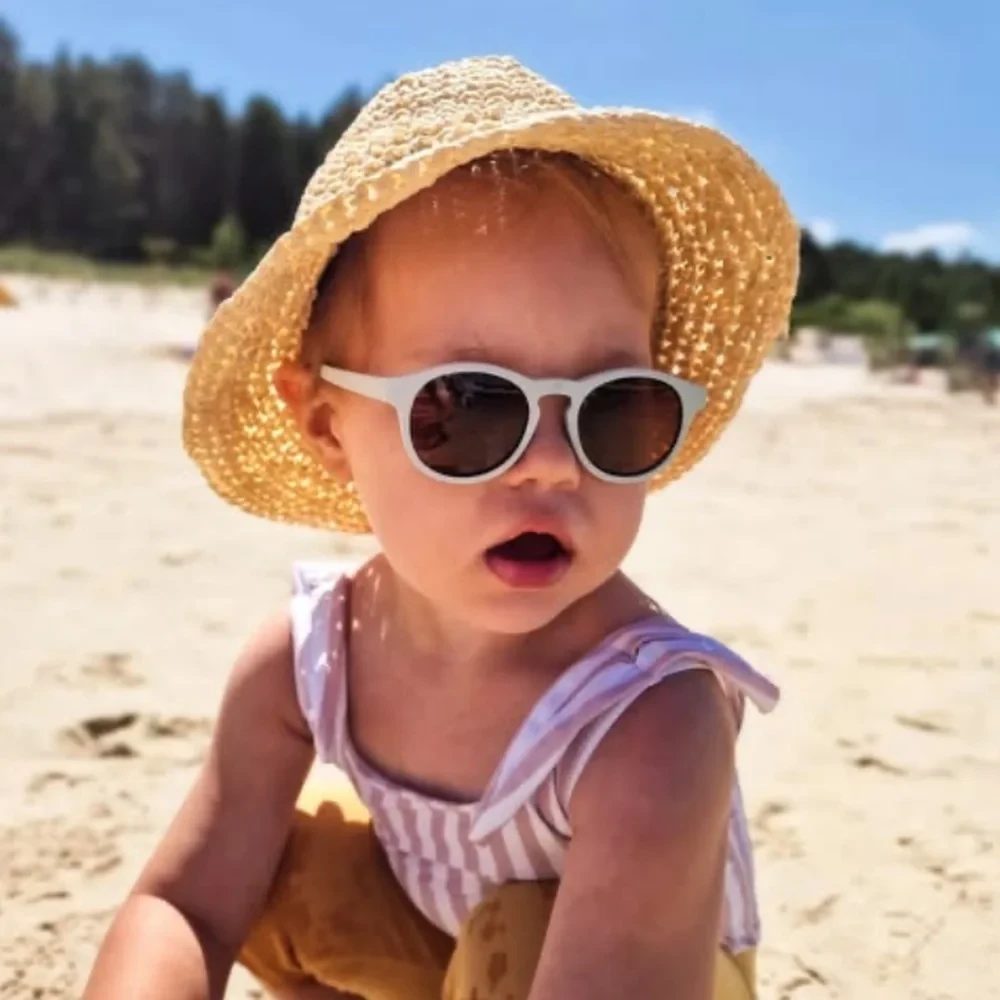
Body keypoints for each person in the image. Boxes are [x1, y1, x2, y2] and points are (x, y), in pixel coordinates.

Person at [83, 56, 799, 1000]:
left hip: (639, 972)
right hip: (441, 938)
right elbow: (186, 906)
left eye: (615, 407)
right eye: (469, 407)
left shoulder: (649, 722)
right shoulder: (309, 659)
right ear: (327, 427)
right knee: (285, 852)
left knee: (515, 938)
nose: (553, 463)